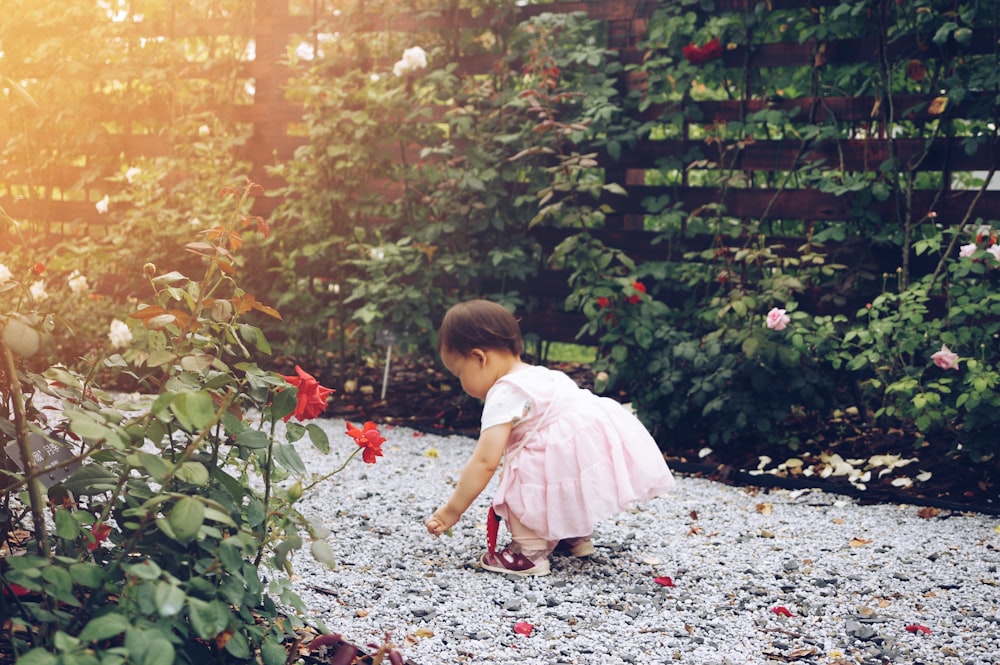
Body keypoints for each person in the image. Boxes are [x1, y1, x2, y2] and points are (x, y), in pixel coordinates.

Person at [425, 299, 675, 576]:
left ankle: (529, 553)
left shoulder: (505, 393)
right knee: (557, 470)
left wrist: (452, 510)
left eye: (460, 373)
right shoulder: (542, 374)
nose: (462, 382)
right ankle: (573, 534)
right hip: (589, 444)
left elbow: (485, 461)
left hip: (563, 451)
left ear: (479, 358)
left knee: (520, 475)